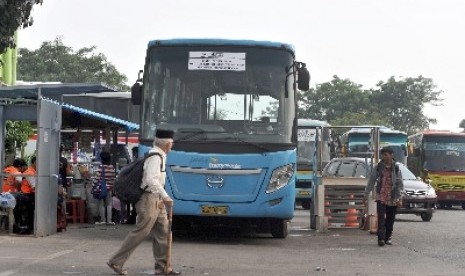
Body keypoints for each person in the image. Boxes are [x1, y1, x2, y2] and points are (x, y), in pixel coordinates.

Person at [107, 129, 180, 275]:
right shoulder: (156, 157)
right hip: (149, 198)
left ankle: (162, 267)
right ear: (167, 144)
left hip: (155, 199)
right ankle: (116, 261)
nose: (172, 145)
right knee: (141, 231)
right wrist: (165, 196)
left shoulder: (160, 155)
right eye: (171, 143)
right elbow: (151, 180)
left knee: (164, 232)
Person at [364, 146, 404, 246]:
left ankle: (388, 237)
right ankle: (381, 239)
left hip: (393, 197)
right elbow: (372, 180)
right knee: (381, 218)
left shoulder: (396, 168)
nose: (384, 157)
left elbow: (399, 184)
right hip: (381, 196)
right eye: (383, 155)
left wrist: (399, 198)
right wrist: (366, 193)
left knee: (390, 219)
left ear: (391, 155)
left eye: (386, 155)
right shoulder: (378, 167)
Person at [92, 151, 116, 225]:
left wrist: (93, 185)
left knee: (101, 204)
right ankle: (109, 220)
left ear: (102, 159)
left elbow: (97, 178)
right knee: (109, 204)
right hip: (109, 189)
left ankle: (103, 220)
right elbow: (113, 179)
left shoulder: (101, 167)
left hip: (101, 189)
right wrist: (111, 186)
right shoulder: (112, 168)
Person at [20, 156, 37, 233]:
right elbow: (34, 186)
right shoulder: (30, 172)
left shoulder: (33, 171)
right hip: (27, 195)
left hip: (28, 195)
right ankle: (29, 227)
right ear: (34, 162)